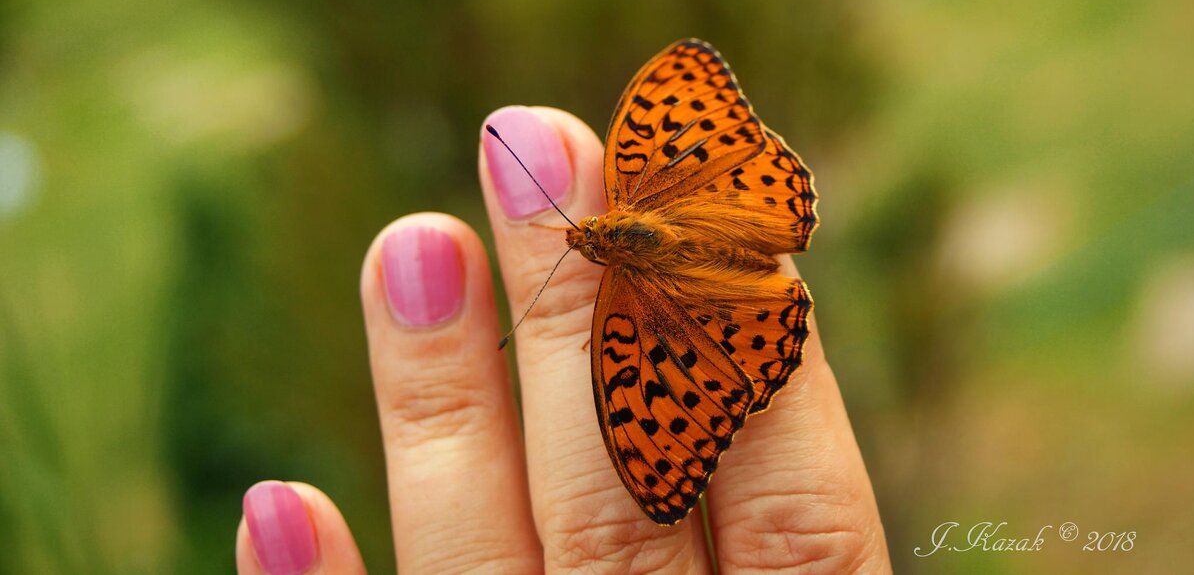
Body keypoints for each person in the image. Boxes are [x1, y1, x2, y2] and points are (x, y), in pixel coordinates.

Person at [233, 106, 892, 574]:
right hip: (723, 203)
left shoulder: (616, 327)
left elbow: (662, 421)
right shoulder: (639, 158)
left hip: (727, 314)